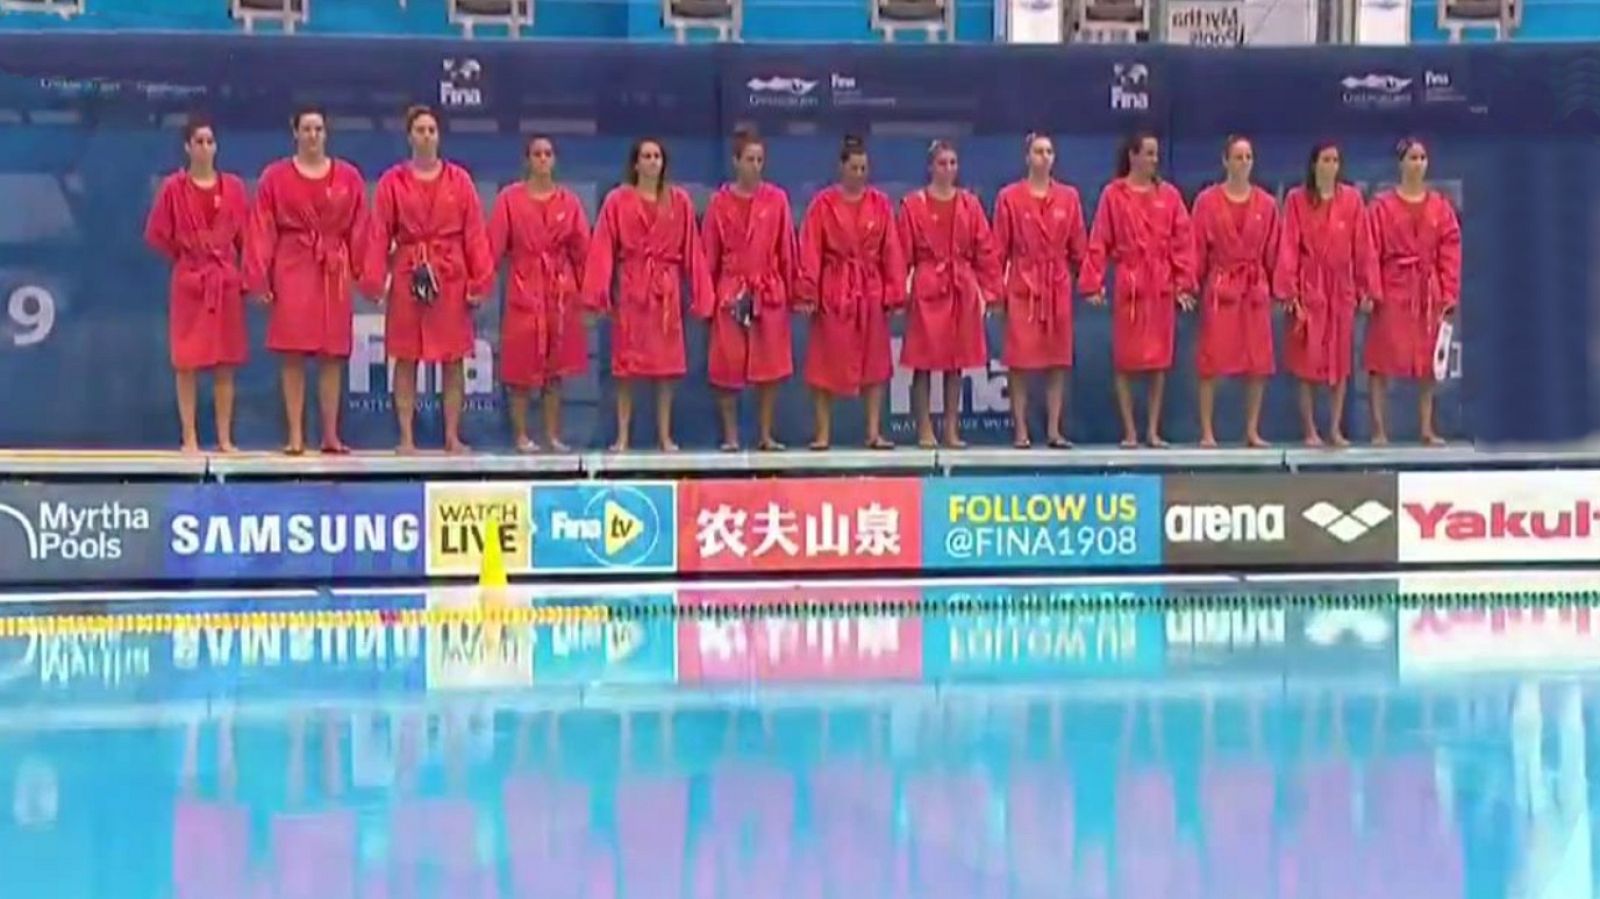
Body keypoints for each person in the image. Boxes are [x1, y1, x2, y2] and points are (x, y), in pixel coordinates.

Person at [360, 105, 494, 454]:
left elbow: (475, 233)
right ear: (409, 136)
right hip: (408, 274)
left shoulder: (459, 180)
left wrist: (480, 281)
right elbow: (378, 233)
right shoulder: (393, 181)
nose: (426, 136)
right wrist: (374, 280)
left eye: (432, 130)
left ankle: (452, 435)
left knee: (453, 359)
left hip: (449, 275)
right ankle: (406, 437)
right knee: (405, 357)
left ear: (439, 136)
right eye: (420, 130)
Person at [244, 105, 367, 455]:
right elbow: (261, 230)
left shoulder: (348, 178)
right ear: (295, 133)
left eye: (318, 129)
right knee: (293, 354)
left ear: (326, 134)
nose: (313, 136)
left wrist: (366, 275)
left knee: (332, 355)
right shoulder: (275, 178)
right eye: (307, 129)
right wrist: (259, 278)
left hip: (332, 269)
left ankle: (330, 434)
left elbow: (360, 229)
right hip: (293, 265)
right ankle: (295, 435)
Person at [583, 138, 712, 452]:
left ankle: (665, 436)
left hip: (665, 294)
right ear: (636, 164)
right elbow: (602, 248)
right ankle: (622, 436)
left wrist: (702, 295)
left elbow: (692, 250)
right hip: (632, 292)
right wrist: (596, 295)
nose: (653, 161)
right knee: (626, 368)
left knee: (666, 370)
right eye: (646, 156)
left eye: (657, 156)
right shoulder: (617, 200)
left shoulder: (679, 201)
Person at [1080, 131, 1197, 448]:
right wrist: (1093, 283)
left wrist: (1184, 283)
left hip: (1159, 283)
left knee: (1159, 361)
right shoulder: (1113, 195)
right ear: (1132, 156)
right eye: (1148, 153)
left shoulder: (1169, 195)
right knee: (1126, 360)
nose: (1154, 159)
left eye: (1156, 154)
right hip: (1130, 283)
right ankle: (1130, 431)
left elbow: (1182, 241)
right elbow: (1099, 240)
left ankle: (1152, 431)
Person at [145, 116, 250, 455]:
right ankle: (189, 436)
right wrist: (188, 258)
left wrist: (242, 275)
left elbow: (246, 237)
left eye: (210, 141)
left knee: (225, 363)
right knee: (187, 362)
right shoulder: (173, 189)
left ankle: (223, 438)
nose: (205, 147)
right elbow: (157, 235)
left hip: (224, 282)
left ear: (216, 146)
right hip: (191, 282)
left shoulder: (233, 187)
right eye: (199, 141)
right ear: (187, 147)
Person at [797, 134, 908, 450]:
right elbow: (811, 250)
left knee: (875, 363)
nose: (860, 173)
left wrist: (894, 292)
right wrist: (808, 293)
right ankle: (823, 433)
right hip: (834, 289)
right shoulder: (823, 204)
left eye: (864, 168)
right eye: (855, 167)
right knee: (824, 362)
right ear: (841, 168)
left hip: (869, 290)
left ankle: (873, 431)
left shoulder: (880, 204)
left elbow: (892, 251)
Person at [487, 135, 590, 453]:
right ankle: (521, 436)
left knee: (555, 372)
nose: (543, 159)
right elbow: (493, 248)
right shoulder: (509, 199)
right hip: (524, 287)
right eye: (537, 153)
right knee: (519, 372)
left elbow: (583, 251)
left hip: (559, 292)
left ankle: (552, 436)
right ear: (527, 160)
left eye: (548, 153)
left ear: (554, 159)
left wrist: (589, 294)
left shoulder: (569, 202)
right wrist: (480, 286)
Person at [1273, 141, 1380, 447]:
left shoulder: (1353, 200)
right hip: (1310, 287)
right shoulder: (1296, 200)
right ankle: (1310, 429)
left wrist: (1367, 288)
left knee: (1341, 360)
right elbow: (1289, 246)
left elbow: (1364, 248)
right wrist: (1289, 291)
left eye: (1335, 160)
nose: (1330, 165)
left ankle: (1334, 428)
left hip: (1340, 289)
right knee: (1306, 360)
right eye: (1325, 159)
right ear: (1314, 164)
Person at [698, 124, 797, 452]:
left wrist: (793, 291)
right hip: (731, 290)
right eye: (750, 159)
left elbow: (787, 249)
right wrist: (708, 298)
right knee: (727, 366)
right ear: (736, 162)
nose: (756, 166)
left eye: (760, 160)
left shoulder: (777, 199)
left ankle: (765, 435)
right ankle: (731, 436)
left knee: (769, 367)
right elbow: (708, 255)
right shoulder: (718, 203)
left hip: (767, 289)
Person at [897, 140, 1001, 449]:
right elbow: (900, 254)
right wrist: (896, 295)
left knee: (956, 363)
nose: (949, 169)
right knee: (923, 362)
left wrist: (991, 290)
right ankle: (925, 429)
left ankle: (952, 429)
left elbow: (985, 249)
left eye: (953, 163)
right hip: (928, 285)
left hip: (961, 286)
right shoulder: (913, 205)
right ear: (931, 167)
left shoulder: (969, 204)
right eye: (942, 163)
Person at [992, 132, 1088, 449]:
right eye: (1038, 151)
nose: (1044, 157)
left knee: (1056, 361)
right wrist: (995, 292)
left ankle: (1053, 430)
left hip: (1056, 284)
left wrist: (1088, 283)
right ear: (1027, 157)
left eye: (1049, 151)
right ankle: (1020, 430)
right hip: (1024, 283)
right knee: (1020, 361)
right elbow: (998, 250)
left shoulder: (1068, 197)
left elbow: (1079, 248)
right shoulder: (1009, 197)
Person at [1366, 137, 1462, 446]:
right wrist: (1373, 290)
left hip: (1427, 291)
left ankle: (1426, 427)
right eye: (1412, 158)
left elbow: (1450, 250)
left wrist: (1449, 292)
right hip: (1393, 288)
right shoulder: (1382, 205)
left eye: (1422, 158)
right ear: (1400, 163)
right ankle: (1379, 429)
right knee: (1381, 361)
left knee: (1428, 362)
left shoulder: (1440, 206)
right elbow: (1369, 250)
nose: (1418, 163)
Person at [1191, 135, 1279, 448]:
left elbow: (1274, 251)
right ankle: (1207, 432)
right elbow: (1196, 248)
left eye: (1248, 157)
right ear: (1225, 161)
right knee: (1211, 359)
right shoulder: (1207, 201)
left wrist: (1278, 289)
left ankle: (1252, 430)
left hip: (1254, 286)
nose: (1243, 163)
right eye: (1238, 157)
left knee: (1258, 361)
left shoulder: (1267, 204)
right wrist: (1190, 284)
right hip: (1221, 286)